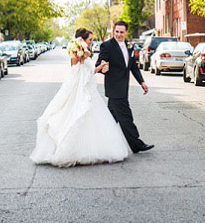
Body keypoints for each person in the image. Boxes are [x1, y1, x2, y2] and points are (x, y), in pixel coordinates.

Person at [30, 28, 131, 167]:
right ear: (82, 41)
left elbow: (85, 72)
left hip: (89, 90)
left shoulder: (81, 53)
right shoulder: (80, 53)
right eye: (90, 40)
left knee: (92, 121)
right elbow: (81, 73)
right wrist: (92, 61)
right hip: (86, 92)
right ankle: (76, 151)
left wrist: (99, 66)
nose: (91, 42)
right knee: (81, 118)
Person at [96, 20, 153, 153]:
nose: (119, 34)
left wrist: (142, 82)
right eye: (117, 32)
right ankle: (137, 145)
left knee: (110, 119)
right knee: (126, 118)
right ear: (113, 31)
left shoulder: (129, 46)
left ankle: (97, 142)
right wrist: (103, 69)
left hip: (123, 88)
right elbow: (100, 63)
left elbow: (133, 66)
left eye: (122, 32)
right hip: (114, 89)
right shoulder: (107, 46)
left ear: (126, 32)